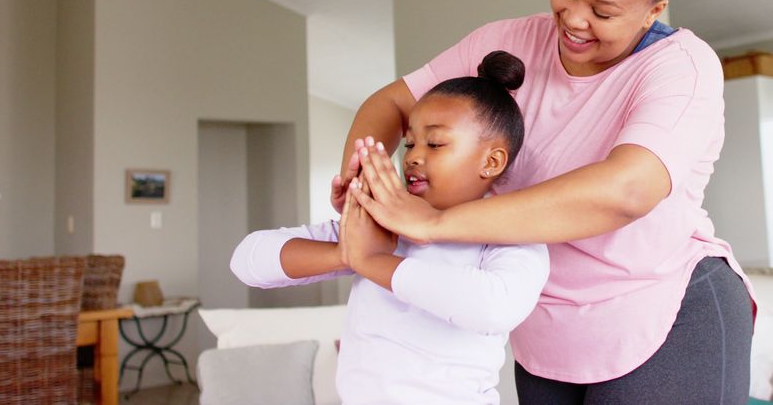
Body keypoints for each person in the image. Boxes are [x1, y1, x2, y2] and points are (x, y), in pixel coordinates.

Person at [337, 0, 755, 404]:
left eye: (603, 12)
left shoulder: (682, 66)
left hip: (666, 309)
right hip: (543, 323)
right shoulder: (510, 40)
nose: (575, 19)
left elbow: (626, 189)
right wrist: (362, 182)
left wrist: (435, 222)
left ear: (654, 10)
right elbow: (392, 103)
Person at [231, 51, 549, 404]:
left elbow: (493, 308)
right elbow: (248, 261)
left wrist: (372, 261)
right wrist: (347, 252)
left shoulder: (510, 236)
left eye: (435, 143)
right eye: (410, 142)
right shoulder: (377, 228)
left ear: (491, 161)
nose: (412, 156)